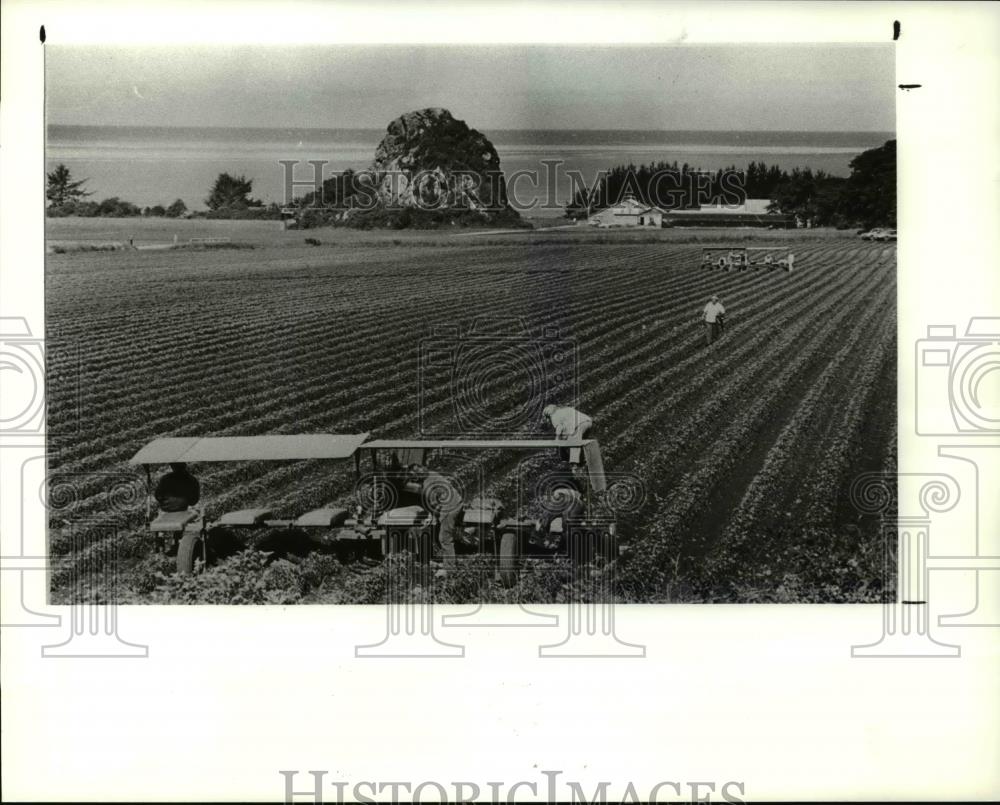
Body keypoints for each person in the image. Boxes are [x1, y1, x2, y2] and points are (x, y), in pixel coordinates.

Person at [407, 463, 464, 569]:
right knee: (441, 533)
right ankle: (446, 561)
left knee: (444, 538)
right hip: (456, 500)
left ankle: (450, 568)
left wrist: (430, 518)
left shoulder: (427, 486)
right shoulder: (432, 474)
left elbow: (435, 505)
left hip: (450, 507)